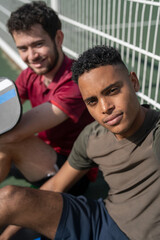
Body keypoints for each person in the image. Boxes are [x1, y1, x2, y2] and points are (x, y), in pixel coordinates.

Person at [0, 45, 160, 240]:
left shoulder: (156, 131)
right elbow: (56, 184)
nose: (105, 107)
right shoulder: (92, 136)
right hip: (99, 217)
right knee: (8, 198)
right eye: (92, 101)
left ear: (134, 82)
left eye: (112, 91)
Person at [0, 0, 96, 189]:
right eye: (23, 48)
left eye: (38, 44)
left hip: (73, 170)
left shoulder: (76, 81)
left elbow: (12, 136)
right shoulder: (31, 74)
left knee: (7, 141)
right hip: (43, 151)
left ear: (58, 39)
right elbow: (8, 102)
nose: (32, 55)